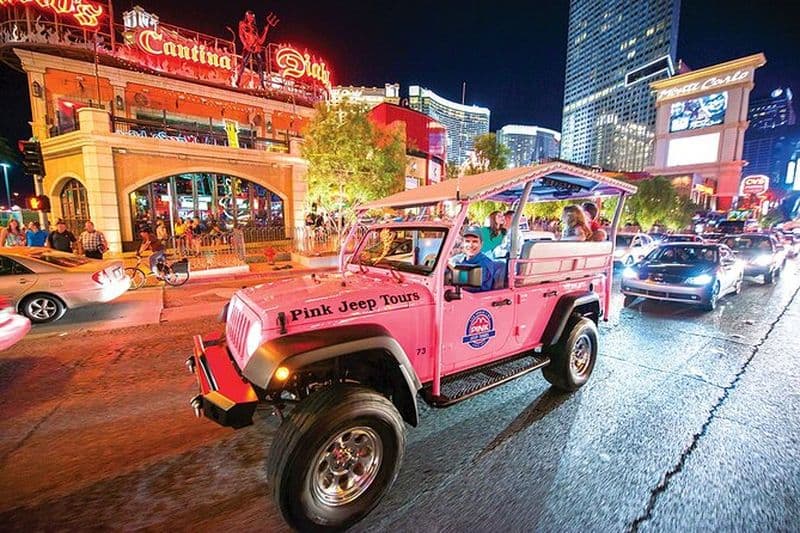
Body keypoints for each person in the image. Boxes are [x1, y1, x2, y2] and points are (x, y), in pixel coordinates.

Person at [451, 227, 496, 291]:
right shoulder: (459, 258)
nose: (470, 245)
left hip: (477, 299)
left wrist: (452, 267)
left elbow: (466, 286)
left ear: (481, 244)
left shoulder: (486, 264)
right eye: (467, 241)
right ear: (463, 243)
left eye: (475, 241)